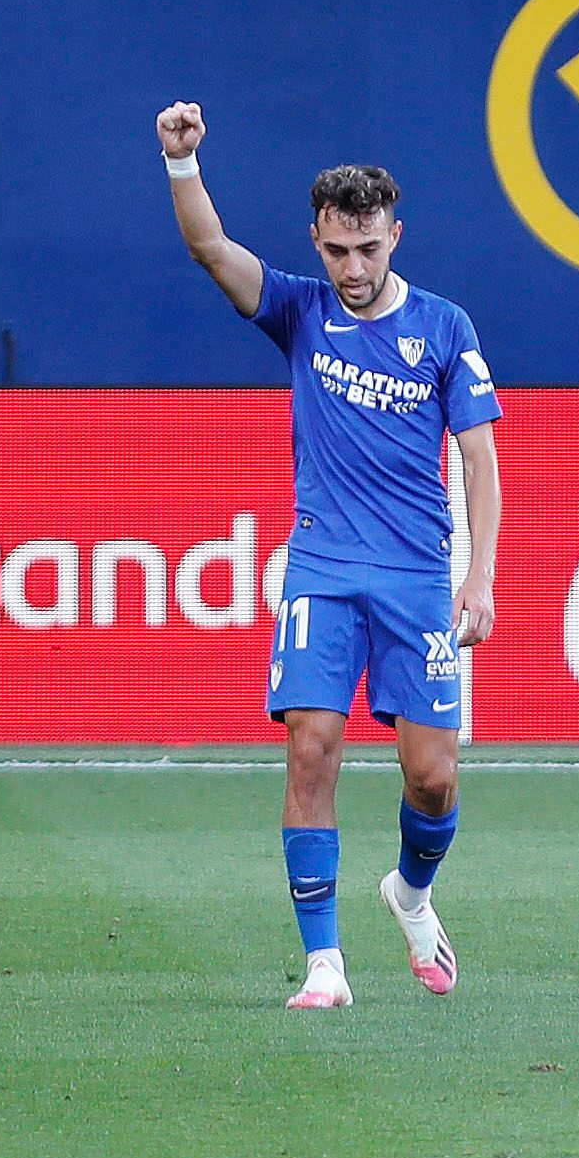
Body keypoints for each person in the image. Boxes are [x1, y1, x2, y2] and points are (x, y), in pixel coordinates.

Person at [154, 99, 501, 1009]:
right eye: (337, 250)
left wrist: (479, 574)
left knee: (432, 775)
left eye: (369, 249)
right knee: (310, 749)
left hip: (418, 579)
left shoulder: (445, 328)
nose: (352, 267)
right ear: (315, 239)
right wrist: (181, 164)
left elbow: (477, 455)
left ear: (395, 237)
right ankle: (324, 965)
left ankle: (411, 893)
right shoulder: (299, 311)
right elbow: (210, 251)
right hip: (320, 568)